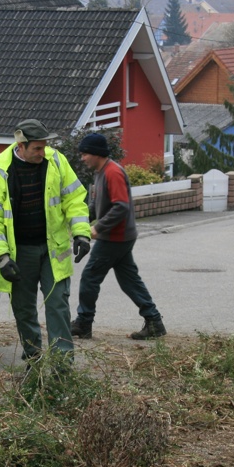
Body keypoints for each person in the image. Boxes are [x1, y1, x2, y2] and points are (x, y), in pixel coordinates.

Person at [0, 118, 92, 363]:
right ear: (21, 146)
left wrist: (82, 233)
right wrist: (2, 257)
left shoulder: (56, 161)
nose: (42, 152)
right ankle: (34, 361)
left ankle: (62, 366)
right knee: (24, 309)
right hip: (19, 253)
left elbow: (74, 199)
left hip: (53, 250)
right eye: (37, 148)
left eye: (44, 147)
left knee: (57, 305)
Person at [70, 133, 166, 340]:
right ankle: (154, 321)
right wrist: (80, 221)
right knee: (129, 280)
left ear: (96, 153)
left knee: (89, 278)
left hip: (115, 237)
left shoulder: (113, 172)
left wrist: (98, 228)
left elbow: (121, 206)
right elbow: (95, 205)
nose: (82, 158)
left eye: (85, 154)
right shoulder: (100, 172)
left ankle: (84, 323)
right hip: (120, 236)